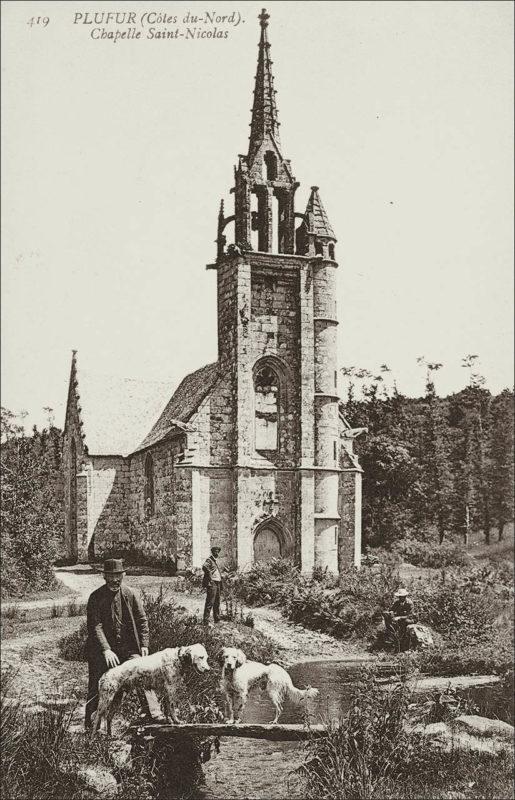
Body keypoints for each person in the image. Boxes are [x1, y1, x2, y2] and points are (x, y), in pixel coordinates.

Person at [84, 558, 162, 730]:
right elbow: (95, 626)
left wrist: (144, 644)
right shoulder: (95, 598)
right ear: (104, 577)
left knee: (143, 673)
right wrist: (106, 650)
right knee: (97, 684)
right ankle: (91, 727)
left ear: (123, 575)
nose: (114, 580)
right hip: (101, 651)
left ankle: (154, 715)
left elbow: (142, 620)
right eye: (111, 576)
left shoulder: (130, 594)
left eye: (118, 576)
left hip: (127, 649)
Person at [202, 546, 222, 625]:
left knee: (217, 602)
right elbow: (204, 567)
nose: (216, 553)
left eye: (217, 552)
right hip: (212, 583)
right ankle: (206, 621)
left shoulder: (215, 561)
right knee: (210, 601)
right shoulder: (209, 560)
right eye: (215, 551)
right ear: (212, 552)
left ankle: (217, 619)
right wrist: (210, 574)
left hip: (218, 583)